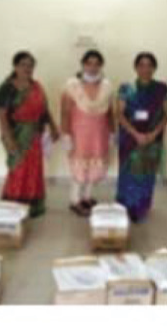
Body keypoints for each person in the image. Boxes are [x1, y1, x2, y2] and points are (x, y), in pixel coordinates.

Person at [0, 51, 59, 218]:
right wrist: (9, 139)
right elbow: (2, 116)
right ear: (15, 66)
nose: (27, 68)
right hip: (16, 134)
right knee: (17, 169)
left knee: (34, 170)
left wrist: (53, 127)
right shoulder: (6, 88)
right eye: (23, 64)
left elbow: (44, 109)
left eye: (30, 65)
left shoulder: (36, 86)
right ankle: (13, 205)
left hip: (35, 135)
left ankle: (32, 205)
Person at [115, 52, 167, 222]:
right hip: (129, 139)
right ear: (135, 67)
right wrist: (136, 134)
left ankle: (141, 207)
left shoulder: (163, 89)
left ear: (154, 68)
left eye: (149, 65)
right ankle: (125, 205)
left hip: (153, 140)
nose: (145, 69)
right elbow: (119, 114)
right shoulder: (126, 88)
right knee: (128, 172)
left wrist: (152, 134)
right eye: (141, 65)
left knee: (146, 173)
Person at [60, 49, 115, 216]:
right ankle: (75, 200)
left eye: (97, 64)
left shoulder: (107, 86)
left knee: (95, 165)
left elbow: (110, 112)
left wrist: (113, 132)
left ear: (101, 66)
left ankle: (87, 196)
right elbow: (64, 112)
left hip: (99, 134)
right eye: (89, 63)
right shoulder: (72, 86)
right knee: (79, 167)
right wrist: (66, 134)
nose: (93, 67)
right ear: (83, 64)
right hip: (79, 134)